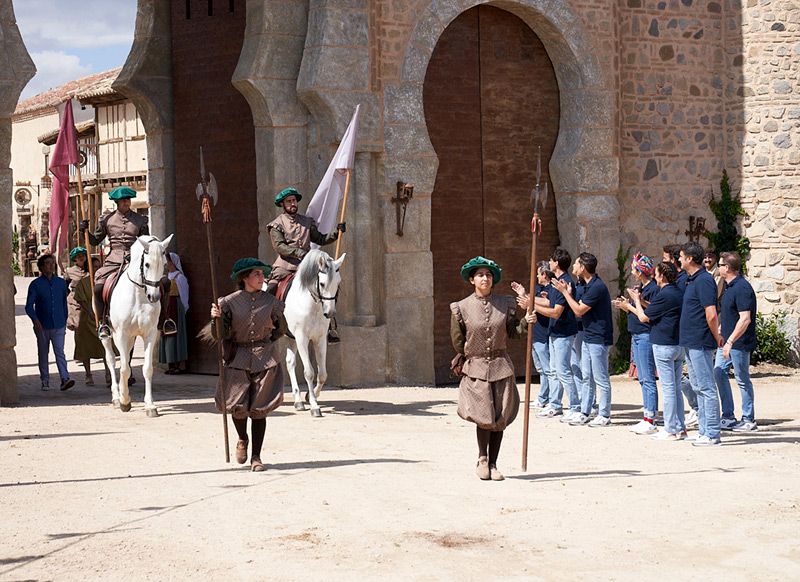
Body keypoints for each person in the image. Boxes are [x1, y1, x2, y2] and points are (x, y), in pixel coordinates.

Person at [451, 256, 533, 481]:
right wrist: (470, 354)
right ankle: (482, 458)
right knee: (483, 415)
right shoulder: (461, 308)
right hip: (476, 368)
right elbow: (458, 341)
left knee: (500, 416)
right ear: (472, 280)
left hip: (501, 367)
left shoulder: (505, 304)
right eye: (479, 275)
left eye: (487, 275)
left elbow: (515, 332)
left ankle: (495, 463)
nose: (484, 278)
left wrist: (527, 318)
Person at [210, 258, 286, 472]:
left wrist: (266, 345)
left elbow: (280, 329)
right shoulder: (228, 303)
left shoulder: (271, 302)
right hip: (237, 358)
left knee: (260, 410)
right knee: (238, 407)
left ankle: (256, 457)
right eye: (257, 275)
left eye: (263, 274)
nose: (263, 278)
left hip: (265, 358)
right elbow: (220, 335)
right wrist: (216, 318)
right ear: (245, 278)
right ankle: (242, 438)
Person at [265, 187, 344, 342]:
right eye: (289, 201)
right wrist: (298, 253)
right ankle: (271, 325)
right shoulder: (276, 225)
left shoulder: (307, 222)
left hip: (308, 267)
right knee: (271, 290)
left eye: (294, 200)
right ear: (283, 204)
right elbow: (279, 246)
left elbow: (320, 239)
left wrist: (336, 232)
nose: (293, 203)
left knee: (328, 285)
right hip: (285, 266)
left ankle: (329, 326)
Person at [80, 186, 152, 339]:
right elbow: (95, 240)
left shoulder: (141, 220)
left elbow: (146, 241)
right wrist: (84, 231)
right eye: (124, 200)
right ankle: (103, 323)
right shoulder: (107, 220)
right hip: (114, 260)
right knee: (98, 287)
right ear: (117, 202)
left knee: (158, 282)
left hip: (135, 260)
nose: (127, 203)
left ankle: (163, 320)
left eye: (128, 200)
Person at [554, 252, 614, 427]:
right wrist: (570, 293)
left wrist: (565, 293)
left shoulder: (597, 287)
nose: (573, 267)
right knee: (586, 376)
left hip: (598, 338)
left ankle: (604, 414)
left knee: (601, 377)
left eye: (577, 264)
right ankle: (585, 411)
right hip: (587, 336)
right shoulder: (584, 285)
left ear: (583, 267)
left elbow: (579, 310)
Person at [628, 261, 687, 440]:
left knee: (669, 389)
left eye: (657, 273)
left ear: (662, 276)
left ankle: (670, 428)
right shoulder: (678, 292)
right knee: (676, 388)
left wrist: (636, 301)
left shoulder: (665, 294)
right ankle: (680, 427)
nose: (654, 276)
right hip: (677, 344)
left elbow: (644, 317)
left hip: (664, 345)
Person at [679, 242, 725, 446]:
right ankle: (704, 429)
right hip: (690, 341)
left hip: (701, 341)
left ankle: (713, 432)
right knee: (697, 386)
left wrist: (717, 337)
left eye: (681, 256)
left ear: (689, 258)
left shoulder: (705, 280)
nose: (679, 260)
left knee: (706, 387)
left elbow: (711, 314)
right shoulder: (692, 280)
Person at [530, 248, 580, 420]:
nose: (549, 263)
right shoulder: (555, 282)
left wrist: (532, 307)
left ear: (556, 263)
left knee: (563, 371)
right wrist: (528, 298)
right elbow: (549, 302)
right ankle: (555, 404)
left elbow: (556, 311)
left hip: (563, 333)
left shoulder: (564, 282)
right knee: (553, 370)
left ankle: (575, 406)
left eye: (551, 260)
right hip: (554, 332)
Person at [613, 253, 660, 434]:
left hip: (646, 335)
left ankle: (651, 418)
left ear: (641, 271)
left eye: (634, 268)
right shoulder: (640, 287)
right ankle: (647, 415)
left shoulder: (653, 289)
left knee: (648, 377)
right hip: (637, 335)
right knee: (642, 378)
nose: (632, 271)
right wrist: (627, 303)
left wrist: (630, 306)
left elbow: (650, 311)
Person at [713, 252, 758, 432]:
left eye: (720, 264)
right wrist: (721, 329)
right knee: (719, 372)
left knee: (742, 379)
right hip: (727, 341)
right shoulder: (729, 287)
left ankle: (748, 419)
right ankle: (728, 416)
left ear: (728, 268)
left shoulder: (742, 288)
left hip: (739, 343)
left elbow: (745, 319)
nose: (718, 267)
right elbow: (730, 313)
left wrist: (730, 340)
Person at [25, 254, 74, 391]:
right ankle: (45, 380)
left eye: (53, 263)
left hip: (59, 324)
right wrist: (35, 320)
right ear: (41, 267)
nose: (51, 265)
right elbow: (29, 306)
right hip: (42, 325)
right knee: (43, 353)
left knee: (60, 352)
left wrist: (64, 319)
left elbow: (64, 303)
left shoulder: (60, 283)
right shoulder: (35, 285)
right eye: (48, 263)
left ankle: (65, 378)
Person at [663, 242, 698, 426]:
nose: (663, 262)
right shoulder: (680, 279)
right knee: (681, 379)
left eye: (665, 259)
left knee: (687, 379)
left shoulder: (684, 281)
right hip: (680, 334)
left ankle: (696, 408)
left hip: (680, 335)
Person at [512, 262, 554, 408]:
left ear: (544, 274)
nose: (536, 276)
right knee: (541, 369)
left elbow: (548, 303)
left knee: (548, 370)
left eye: (538, 273)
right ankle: (544, 398)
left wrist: (528, 299)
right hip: (534, 333)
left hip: (545, 333)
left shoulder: (552, 288)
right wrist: (524, 297)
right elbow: (527, 305)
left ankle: (550, 400)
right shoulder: (536, 289)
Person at [73, 256, 112, 385]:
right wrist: (89, 311)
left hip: (101, 318)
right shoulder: (83, 282)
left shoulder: (104, 282)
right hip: (87, 318)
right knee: (85, 348)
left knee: (105, 346)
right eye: (94, 267)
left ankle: (108, 373)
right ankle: (88, 374)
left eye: (99, 266)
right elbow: (80, 299)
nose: (97, 269)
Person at [159, 252, 190, 374]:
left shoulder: (180, 278)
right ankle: (170, 364)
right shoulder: (165, 277)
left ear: (173, 262)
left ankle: (178, 365)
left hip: (176, 307)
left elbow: (184, 295)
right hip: (166, 307)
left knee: (176, 335)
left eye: (168, 261)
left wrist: (183, 309)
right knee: (166, 334)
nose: (167, 264)